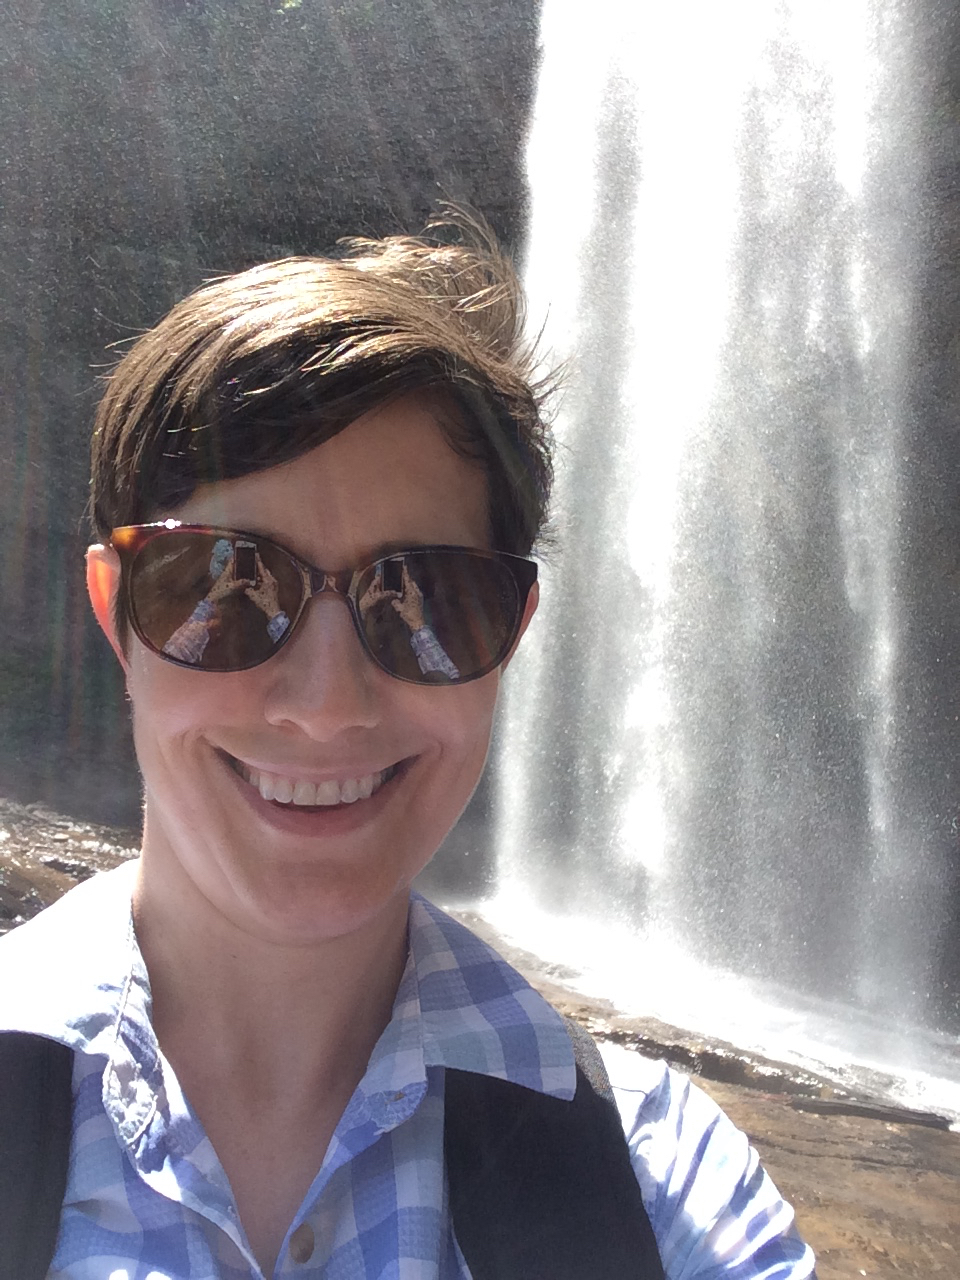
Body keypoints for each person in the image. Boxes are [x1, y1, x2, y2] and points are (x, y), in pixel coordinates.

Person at [0, 214, 816, 1278]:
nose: (327, 706)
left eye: (424, 595)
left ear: (511, 635)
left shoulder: (659, 1183)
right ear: (116, 609)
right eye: (227, 584)